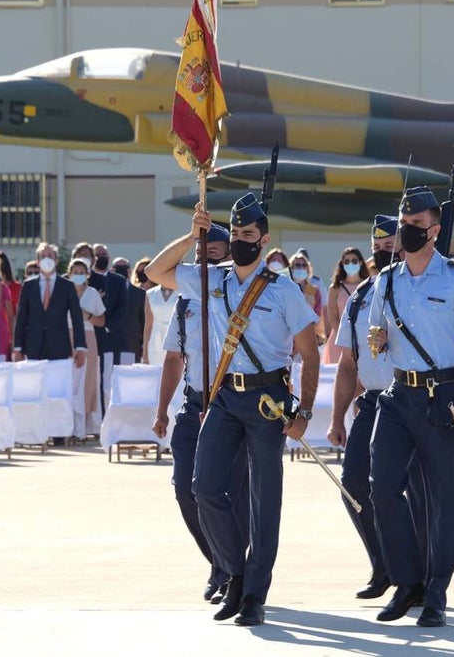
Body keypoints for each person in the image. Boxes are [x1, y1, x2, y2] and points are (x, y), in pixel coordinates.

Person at [146, 192, 319, 627]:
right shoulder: (212, 279)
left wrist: (304, 411)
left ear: (264, 240)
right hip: (222, 397)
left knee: (263, 500)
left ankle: (255, 594)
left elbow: (309, 352)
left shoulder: (283, 289)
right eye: (236, 232)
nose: (241, 240)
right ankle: (234, 573)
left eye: (248, 234)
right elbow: (155, 272)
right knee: (203, 488)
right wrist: (192, 235)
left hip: (267, 400)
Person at [366, 187, 454, 628]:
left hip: (445, 397)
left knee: (442, 496)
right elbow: (377, 336)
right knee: (382, 488)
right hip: (399, 394)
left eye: (416, 225)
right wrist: (379, 340)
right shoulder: (386, 280)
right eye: (404, 224)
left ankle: (437, 588)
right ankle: (407, 582)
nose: (407, 231)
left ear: (435, 230)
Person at [327, 215, 427, 601]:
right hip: (373, 402)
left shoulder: (419, 289)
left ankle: (420, 576)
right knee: (354, 484)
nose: (384, 252)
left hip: (415, 399)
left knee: (416, 492)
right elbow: (347, 363)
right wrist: (337, 417)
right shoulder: (360, 297)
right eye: (378, 247)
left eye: (390, 246)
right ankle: (383, 564)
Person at [151, 224, 246, 605]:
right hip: (194, 404)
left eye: (214, 252)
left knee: (230, 492)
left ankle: (235, 569)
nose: (205, 259)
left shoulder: (241, 297)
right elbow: (174, 358)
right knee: (184, 487)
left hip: (232, 404)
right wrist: (162, 409)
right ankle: (219, 562)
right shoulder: (185, 302)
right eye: (200, 253)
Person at [13, 243, 87, 368]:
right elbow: (21, 318)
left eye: (50, 256)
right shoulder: (28, 286)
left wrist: (80, 348)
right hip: (33, 347)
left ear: (56, 260)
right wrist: (18, 348)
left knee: (59, 381)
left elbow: (77, 318)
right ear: (38, 262)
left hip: (59, 347)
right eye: (43, 256)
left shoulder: (67, 286)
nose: (46, 259)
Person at [66, 257, 105, 438]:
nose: (78, 275)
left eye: (82, 272)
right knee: (69, 380)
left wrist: (87, 316)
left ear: (87, 274)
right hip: (66, 336)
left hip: (88, 337)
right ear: (69, 273)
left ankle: (86, 426)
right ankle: (67, 425)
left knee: (88, 380)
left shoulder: (92, 293)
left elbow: (101, 320)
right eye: (75, 272)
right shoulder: (63, 291)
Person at [88, 243, 127, 411]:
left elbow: (122, 308)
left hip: (110, 338)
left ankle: (107, 414)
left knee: (107, 381)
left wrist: (107, 327)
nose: (101, 257)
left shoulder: (118, 281)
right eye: (98, 255)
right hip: (90, 336)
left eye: (104, 254)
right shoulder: (87, 279)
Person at [322, 247, 369, 364]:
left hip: (364, 339)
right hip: (340, 340)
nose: (350, 264)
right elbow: (333, 318)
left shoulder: (369, 285)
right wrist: (346, 339)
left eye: (354, 261)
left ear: (361, 262)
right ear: (342, 264)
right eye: (347, 261)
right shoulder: (335, 288)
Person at [144, 255, 183, 367]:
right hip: (155, 340)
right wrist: (145, 352)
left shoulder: (183, 291)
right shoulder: (150, 293)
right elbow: (148, 326)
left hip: (176, 337)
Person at [113, 257, 147, 365]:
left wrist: (143, 345)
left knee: (128, 374)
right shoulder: (105, 291)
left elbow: (144, 323)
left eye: (124, 267)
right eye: (118, 268)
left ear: (130, 271)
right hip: (109, 347)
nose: (121, 270)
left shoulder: (141, 294)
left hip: (131, 346)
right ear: (112, 270)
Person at [0, 250, 18, 364]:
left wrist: (12, 339)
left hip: (1, 332)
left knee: (1, 364)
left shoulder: (3, 288)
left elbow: (10, 316)